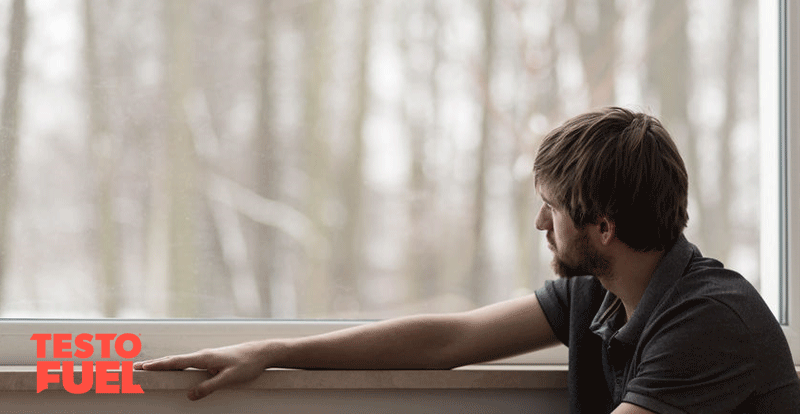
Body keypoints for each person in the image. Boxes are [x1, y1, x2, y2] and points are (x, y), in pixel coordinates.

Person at [135, 107, 800, 413]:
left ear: (603, 225)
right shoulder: (603, 292)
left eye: (553, 209)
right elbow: (448, 338)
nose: (540, 222)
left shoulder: (710, 319)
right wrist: (275, 349)